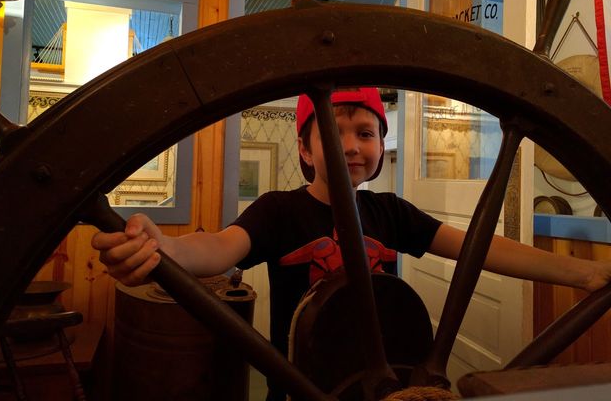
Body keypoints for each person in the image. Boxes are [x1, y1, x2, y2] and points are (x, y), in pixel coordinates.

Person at [92, 87, 611, 401]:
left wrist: (586, 274)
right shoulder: (278, 210)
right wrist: (167, 250)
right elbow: (219, 248)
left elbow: (482, 249)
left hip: (387, 385)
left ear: (382, 145)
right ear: (305, 149)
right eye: (334, 132)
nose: (351, 146)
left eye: (366, 132)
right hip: (303, 387)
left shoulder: (391, 213)